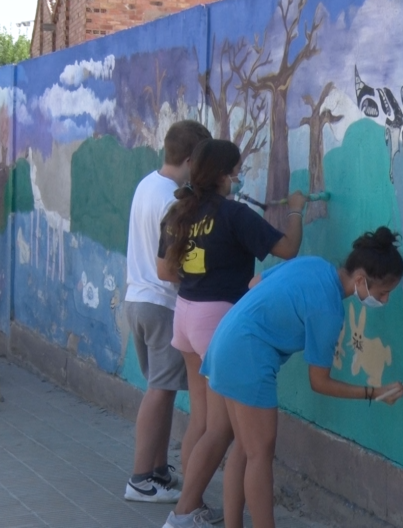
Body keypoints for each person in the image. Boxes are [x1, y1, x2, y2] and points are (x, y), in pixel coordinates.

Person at [169, 227, 403, 528]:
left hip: (225, 339)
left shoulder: (314, 265)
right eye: (383, 292)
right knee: (259, 453)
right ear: (361, 280)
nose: (384, 301)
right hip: (247, 357)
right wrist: (374, 393)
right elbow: (319, 382)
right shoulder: (329, 310)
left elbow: (255, 282)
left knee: (244, 449)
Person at [158, 139, 305, 528]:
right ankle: (184, 512)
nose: (241, 176)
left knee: (203, 423)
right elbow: (288, 249)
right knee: (221, 430)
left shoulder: (179, 211)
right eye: (238, 169)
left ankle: (192, 507)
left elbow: (166, 270)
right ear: (224, 174)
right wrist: (295, 209)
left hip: (186, 315)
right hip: (219, 321)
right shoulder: (233, 214)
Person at [123, 120, 211, 504]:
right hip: (161, 303)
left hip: (138, 300)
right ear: (191, 160)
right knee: (159, 391)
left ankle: (158, 472)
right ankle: (140, 479)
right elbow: (173, 264)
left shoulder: (147, 184)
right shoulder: (174, 199)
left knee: (162, 389)